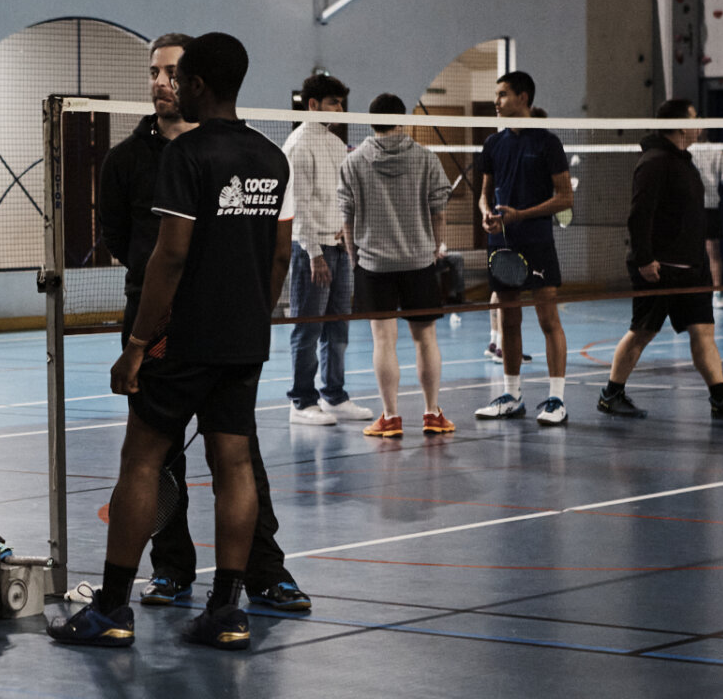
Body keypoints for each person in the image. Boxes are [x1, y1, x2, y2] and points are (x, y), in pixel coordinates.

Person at [51, 32, 292, 651]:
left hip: (178, 339)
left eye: (178, 77)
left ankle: (111, 609)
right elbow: (280, 254)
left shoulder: (185, 156)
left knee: (142, 461)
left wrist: (137, 344)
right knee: (234, 464)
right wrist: (254, 315)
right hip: (244, 338)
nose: (169, 86)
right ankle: (227, 611)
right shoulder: (273, 158)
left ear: (198, 84)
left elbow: (170, 255)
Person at [596, 100, 723, 420]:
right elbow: (639, 215)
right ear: (680, 124)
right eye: (694, 118)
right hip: (660, 269)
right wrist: (644, 259)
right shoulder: (654, 161)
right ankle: (611, 394)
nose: (699, 123)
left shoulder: (685, 161)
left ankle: (720, 397)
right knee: (642, 332)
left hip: (692, 268)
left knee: (703, 331)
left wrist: (699, 262)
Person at [338, 94, 453, 437]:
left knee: (383, 341)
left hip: (373, 264)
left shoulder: (353, 162)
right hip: (419, 261)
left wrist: (354, 258)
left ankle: (390, 418)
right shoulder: (426, 158)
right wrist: (436, 247)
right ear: (402, 119)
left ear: (370, 120)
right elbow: (439, 212)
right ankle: (432, 413)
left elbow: (347, 219)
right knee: (426, 339)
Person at [475, 72, 573, 425]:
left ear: (523, 97)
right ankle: (512, 395)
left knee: (548, 320)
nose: (496, 101)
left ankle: (556, 400)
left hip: (537, 242)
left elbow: (565, 197)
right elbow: (485, 194)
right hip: (501, 243)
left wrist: (521, 215)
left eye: (502, 94)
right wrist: (486, 214)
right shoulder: (493, 144)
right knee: (509, 320)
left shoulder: (547, 143)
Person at [282, 74, 373, 427]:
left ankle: (334, 396)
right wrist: (314, 253)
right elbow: (299, 206)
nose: (339, 109)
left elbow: (343, 195)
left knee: (338, 326)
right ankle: (302, 401)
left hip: (339, 248)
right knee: (308, 328)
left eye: (341, 103)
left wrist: (346, 231)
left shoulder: (335, 143)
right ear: (313, 104)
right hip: (312, 251)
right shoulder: (298, 145)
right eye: (333, 102)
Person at [691, 139, 723, 309]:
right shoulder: (686, 149)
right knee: (688, 253)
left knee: (713, 251)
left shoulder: (716, 150)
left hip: (710, 207)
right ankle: (689, 293)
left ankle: (717, 293)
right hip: (690, 207)